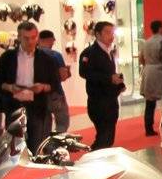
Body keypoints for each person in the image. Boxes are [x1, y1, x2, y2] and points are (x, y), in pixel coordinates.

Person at [0, 20, 63, 151]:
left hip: (38, 109)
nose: (30, 42)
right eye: (26, 38)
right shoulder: (7, 57)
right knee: (14, 150)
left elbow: (55, 83)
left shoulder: (46, 59)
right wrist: (9, 87)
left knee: (37, 148)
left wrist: (42, 87)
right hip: (14, 108)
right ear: (19, 37)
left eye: (33, 38)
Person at [79, 20, 124, 149]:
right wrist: (109, 78)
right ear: (98, 34)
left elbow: (110, 73)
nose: (111, 36)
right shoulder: (89, 52)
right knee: (103, 138)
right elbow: (84, 73)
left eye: (112, 33)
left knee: (108, 137)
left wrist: (119, 84)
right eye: (107, 32)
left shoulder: (108, 51)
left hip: (110, 100)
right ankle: (95, 159)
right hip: (98, 101)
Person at [36, 30, 70, 135]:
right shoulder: (55, 55)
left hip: (38, 94)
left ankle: (44, 146)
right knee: (62, 123)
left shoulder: (32, 55)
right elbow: (63, 76)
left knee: (44, 125)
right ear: (51, 40)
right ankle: (55, 144)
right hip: (55, 93)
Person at [138, 20, 162, 135]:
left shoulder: (146, 42)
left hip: (148, 70)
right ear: (160, 28)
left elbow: (141, 58)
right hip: (160, 71)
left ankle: (148, 128)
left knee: (149, 104)